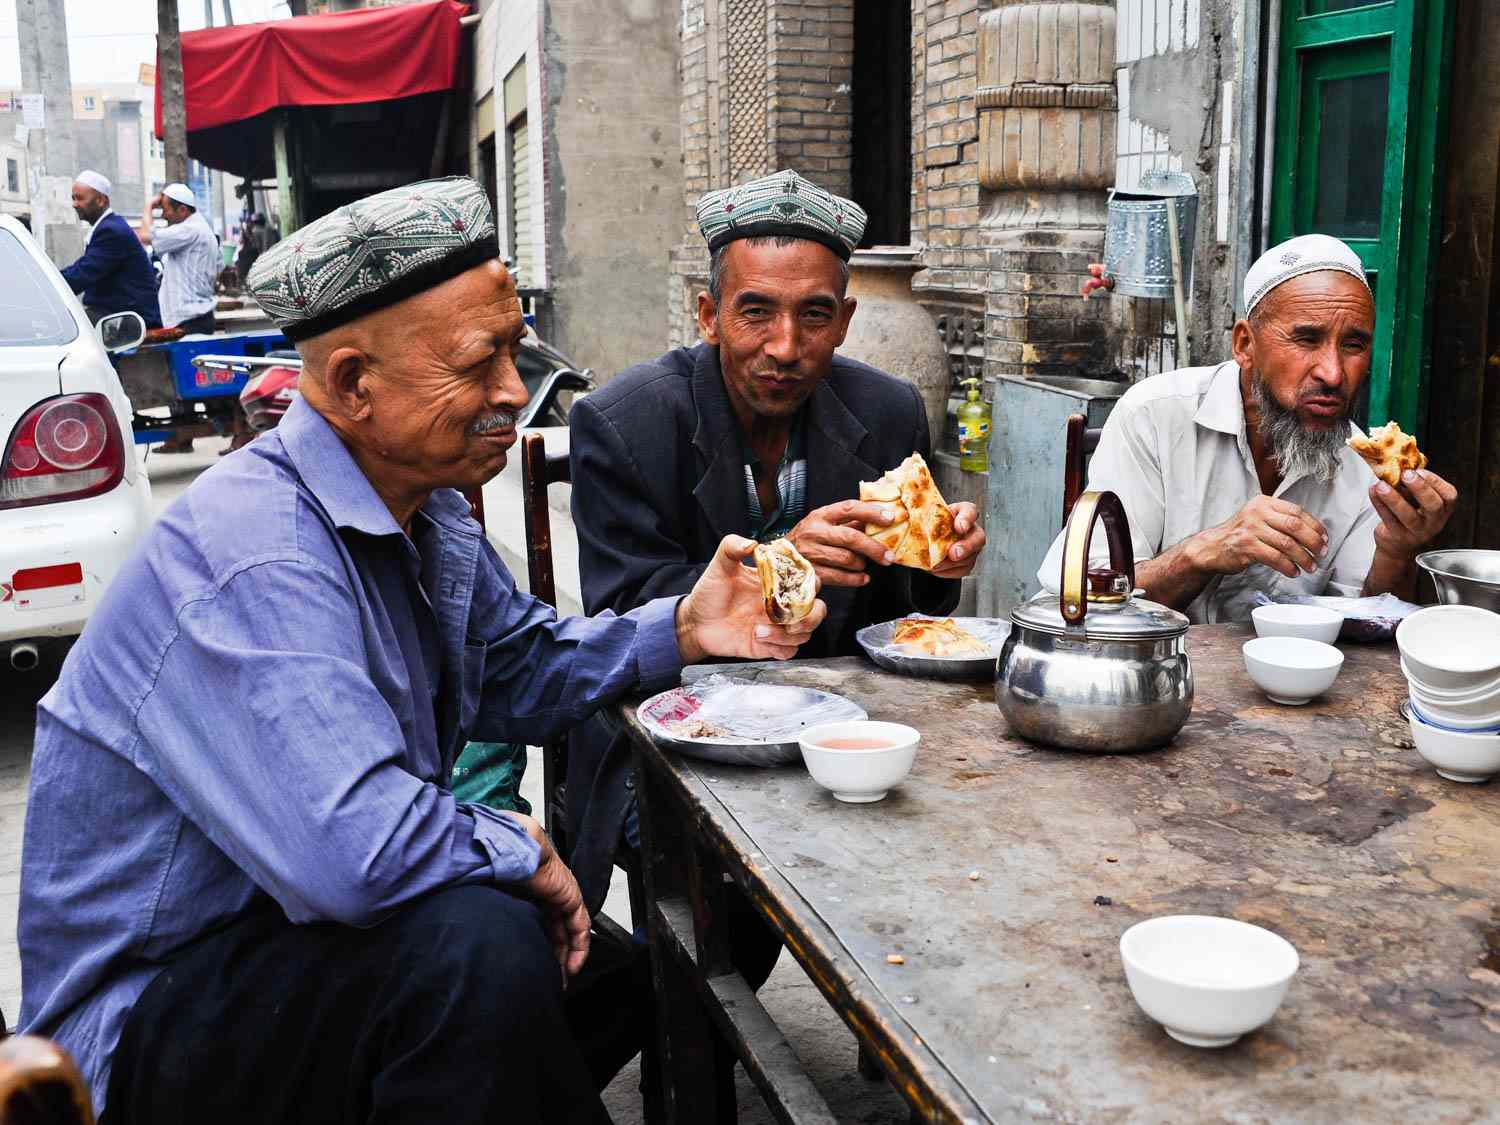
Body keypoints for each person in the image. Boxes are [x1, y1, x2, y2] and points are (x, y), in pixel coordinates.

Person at [17, 177, 827, 1125]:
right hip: (149, 1015)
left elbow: (519, 663)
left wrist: (686, 625)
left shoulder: (424, 508)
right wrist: (510, 841)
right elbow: (355, 849)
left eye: (514, 353)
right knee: (478, 951)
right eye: (480, 364)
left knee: (613, 979)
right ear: (355, 384)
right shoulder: (255, 550)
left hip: (296, 946)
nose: (514, 393)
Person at [563, 168, 988, 947]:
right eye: (755, 311)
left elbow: (906, 621)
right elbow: (625, 613)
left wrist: (939, 565)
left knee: (966, 833)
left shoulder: (887, 412)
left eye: (814, 315)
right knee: (739, 904)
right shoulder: (625, 423)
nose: (786, 347)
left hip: (838, 722)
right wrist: (778, 564)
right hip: (670, 736)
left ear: (846, 319)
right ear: (709, 313)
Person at [1041, 233, 1457, 621]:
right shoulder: (1154, 415)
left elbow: (1368, 626)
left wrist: (1397, 550)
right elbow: (1081, 593)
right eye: (1307, 340)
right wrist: (1202, 552)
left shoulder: (1362, 468)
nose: (1333, 373)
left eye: (1353, 345)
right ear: (1245, 345)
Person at [59, 170, 162, 328]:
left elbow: (83, 273)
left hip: (130, 322)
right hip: (116, 317)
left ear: (101, 200)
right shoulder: (108, 227)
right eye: (73, 198)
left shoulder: (111, 231)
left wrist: (50, 285)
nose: (74, 204)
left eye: (80, 198)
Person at [136, 182, 219, 335]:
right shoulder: (200, 228)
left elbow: (145, 235)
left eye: (165, 210)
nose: (163, 215)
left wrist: (149, 206)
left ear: (182, 210)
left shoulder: (190, 229)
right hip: (194, 318)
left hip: (191, 321)